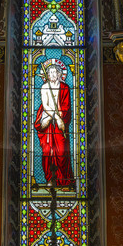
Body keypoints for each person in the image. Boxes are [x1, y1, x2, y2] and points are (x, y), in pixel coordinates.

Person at [36, 58, 75, 189]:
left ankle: (64, 180)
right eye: (50, 72)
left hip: (61, 121)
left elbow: (66, 106)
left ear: (59, 74)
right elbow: (45, 105)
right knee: (47, 151)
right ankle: (49, 178)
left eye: (55, 72)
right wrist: (54, 116)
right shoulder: (44, 87)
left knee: (62, 151)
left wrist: (60, 118)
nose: (52, 75)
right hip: (48, 119)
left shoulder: (65, 87)